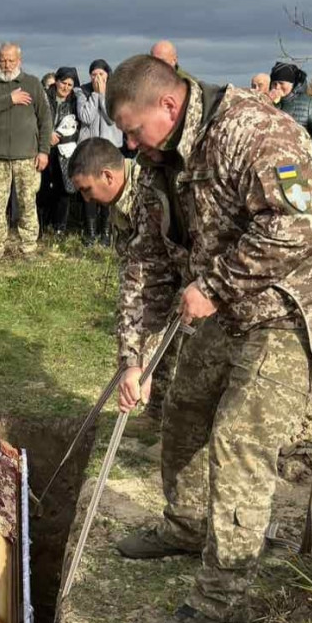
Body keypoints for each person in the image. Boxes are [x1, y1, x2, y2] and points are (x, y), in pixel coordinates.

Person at [105, 55, 312, 623]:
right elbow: (146, 263)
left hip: (298, 303)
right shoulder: (157, 162)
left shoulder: (254, 131)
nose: (127, 143)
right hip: (231, 301)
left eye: (131, 128)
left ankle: (221, 598)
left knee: (240, 440)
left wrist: (216, 285)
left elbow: (297, 227)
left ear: (168, 107)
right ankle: (185, 524)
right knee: (185, 408)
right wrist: (133, 357)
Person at [69, 136, 185, 423]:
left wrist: (131, 362)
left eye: (86, 190)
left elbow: (140, 282)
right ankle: (156, 416)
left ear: (107, 176)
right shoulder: (122, 198)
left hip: (198, 278)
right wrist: (132, 359)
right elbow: (134, 273)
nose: (86, 199)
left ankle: (175, 430)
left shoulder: (148, 195)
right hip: (169, 273)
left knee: (185, 353)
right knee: (158, 337)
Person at [0, 43, 52, 261]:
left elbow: (45, 120)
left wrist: (44, 151)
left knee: (27, 204)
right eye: (2, 60)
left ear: (19, 60)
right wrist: (10, 99)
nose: (7, 65)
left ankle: (28, 248)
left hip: (27, 157)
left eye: (11, 60)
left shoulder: (32, 83)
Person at [78, 59, 125, 244]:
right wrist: (95, 95)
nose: (97, 78)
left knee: (107, 188)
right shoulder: (82, 91)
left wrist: (103, 95)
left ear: (108, 75)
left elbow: (111, 118)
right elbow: (86, 117)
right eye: (94, 74)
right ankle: (90, 232)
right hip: (89, 148)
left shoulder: (116, 92)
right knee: (89, 189)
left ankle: (105, 232)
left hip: (110, 148)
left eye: (101, 74)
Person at [38, 66, 82, 237]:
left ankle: (59, 228)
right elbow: (36, 120)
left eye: (70, 85)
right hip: (44, 149)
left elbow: (79, 127)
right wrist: (47, 135)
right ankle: (40, 226)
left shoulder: (75, 102)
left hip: (65, 151)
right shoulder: (44, 98)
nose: (66, 88)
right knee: (42, 189)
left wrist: (60, 137)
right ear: (56, 81)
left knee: (63, 190)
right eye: (63, 83)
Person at [270, 62, 312, 164]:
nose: (277, 87)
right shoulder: (266, 103)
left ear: (292, 84)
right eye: (274, 84)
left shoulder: (308, 104)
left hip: (300, 163)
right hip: (273, 162)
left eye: (281, 83)